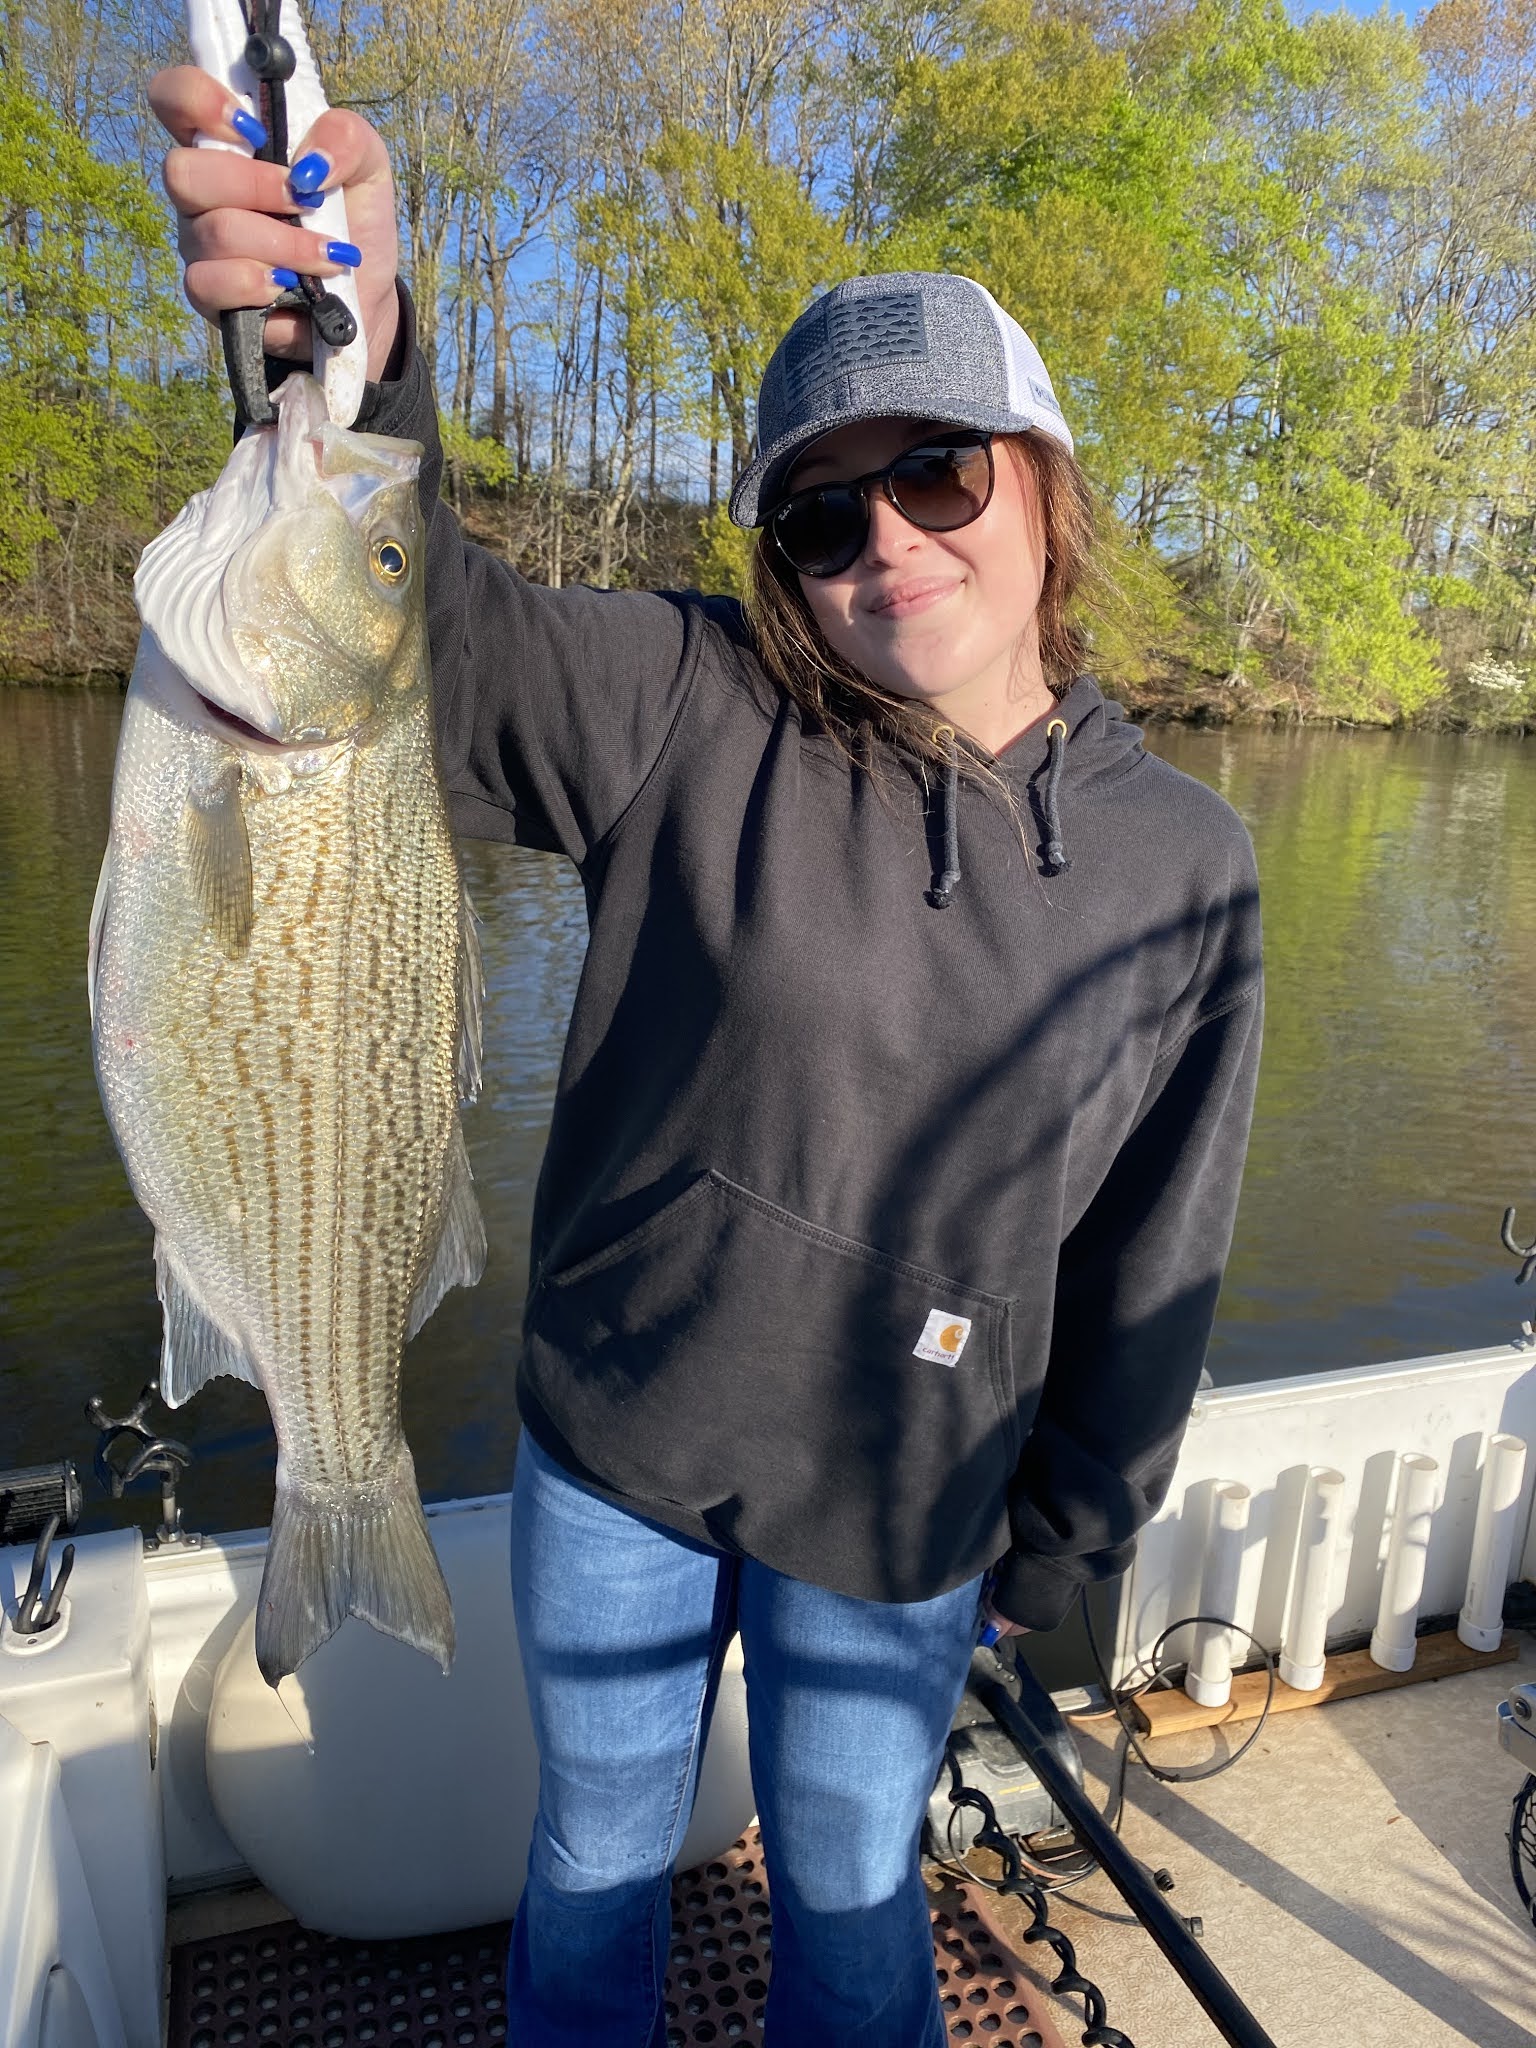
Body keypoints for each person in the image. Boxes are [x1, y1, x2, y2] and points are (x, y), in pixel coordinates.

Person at [150, 70, 1263, 2048]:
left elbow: (1154, 1253)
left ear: (1045, 481)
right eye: (825, 509)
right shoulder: (687, 697)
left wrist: (1076, 1539)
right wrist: (355, 357)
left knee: (849, 1900)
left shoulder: (1184, 857)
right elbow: (435, 644)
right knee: (592, 1855)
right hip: (622, 1443)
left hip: (906, 1504)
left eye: (942, 474)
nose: (886, 542)